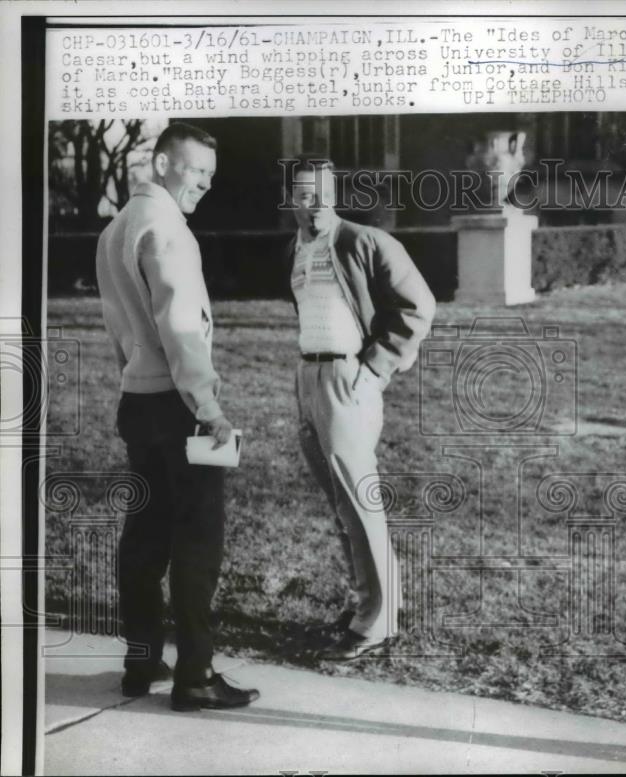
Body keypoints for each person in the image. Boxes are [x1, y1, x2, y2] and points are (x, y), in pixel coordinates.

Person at [95, 122, 259, 711]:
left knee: (144, 536)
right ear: (162, 164)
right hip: (180, 407)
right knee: (197, 542)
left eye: (211, 176)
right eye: (196, 171)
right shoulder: (168, 231)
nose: (205, 185)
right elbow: (182, 328)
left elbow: (120, 327)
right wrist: (208, 408)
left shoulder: (116, 228)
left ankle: (141, 663)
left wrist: (137, 377)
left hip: (137, 400)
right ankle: (195, 676)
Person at [281, 154, 436, 660]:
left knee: (360, 501)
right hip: (309, 376)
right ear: (291, 201)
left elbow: (418, 305)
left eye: (322, 193)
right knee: (340, 503)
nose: (314, 205)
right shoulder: (298, 248)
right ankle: (366, 605)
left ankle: (378, 621)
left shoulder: (363, 240)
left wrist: (375, 369)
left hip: (349, 378)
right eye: (303, 194)